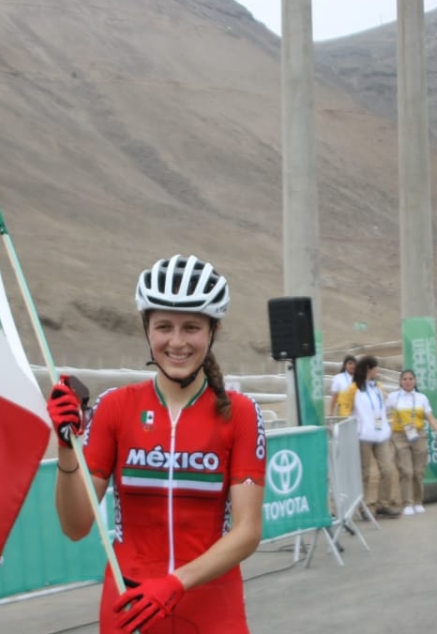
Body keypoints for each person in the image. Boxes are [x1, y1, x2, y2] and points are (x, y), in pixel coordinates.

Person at [50, 255, 266, 634]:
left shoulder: (241, 413)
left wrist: (174, 583)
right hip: (130, 606)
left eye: (192, 328)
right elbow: (75, 525)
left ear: (212, 331)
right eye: (164, 326)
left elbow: (247, 531)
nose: (177, 341)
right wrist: (66, 448)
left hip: (212, 609)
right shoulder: (116, 407)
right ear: (146, 329)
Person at [386, 369, 437, 516]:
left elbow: (429, 416)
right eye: (404, 379)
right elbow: (381, 412)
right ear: (400, 381)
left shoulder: (421, 398)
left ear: (415, 381)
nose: (408, 381)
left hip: (418, 435)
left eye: (411, 379)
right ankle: (407, 503)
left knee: (418, 471)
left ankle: (418, 501)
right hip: (399, 436)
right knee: (406, 471)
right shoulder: (393, 397)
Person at [350, 355, 399, 519]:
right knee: (364, 473)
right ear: (368, 369)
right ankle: (362, 507)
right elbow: (346, 410)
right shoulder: (354, 389)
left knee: (387, 469)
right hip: (363, 435)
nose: (377, 371)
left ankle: (383, 504)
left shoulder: (377, 388)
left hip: (381, 434)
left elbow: (382, 407)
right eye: (375, 368)